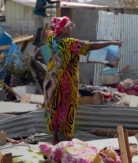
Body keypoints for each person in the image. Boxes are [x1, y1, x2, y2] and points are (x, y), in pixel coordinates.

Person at [43, 16, 123, 145]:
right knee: (69, 108)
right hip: (67, 82)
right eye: (69, 27)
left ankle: (55, 139)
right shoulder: (70, 42)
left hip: (51, 81)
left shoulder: (51, 39)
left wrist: (53, 27)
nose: (71, 29)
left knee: (54, 107)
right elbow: (91, 46)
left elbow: (47, 30)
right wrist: (112, 43)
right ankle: (69, 138)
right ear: (63, 30)